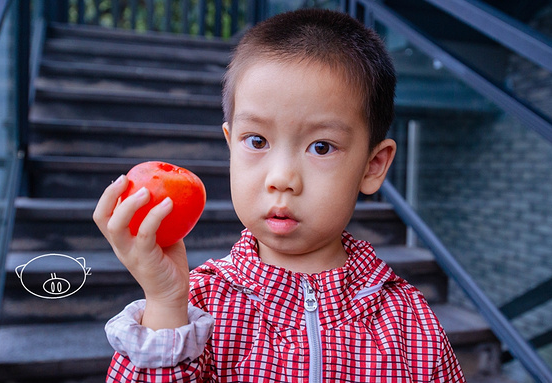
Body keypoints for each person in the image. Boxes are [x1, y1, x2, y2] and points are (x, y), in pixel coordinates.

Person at [93, 8, 465, 382]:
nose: (282, 178)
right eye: (257, 141)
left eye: (321, 147)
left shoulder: (409, 322)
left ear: (373, 166)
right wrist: (164, 303)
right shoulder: (196, 307)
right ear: (230, 145)